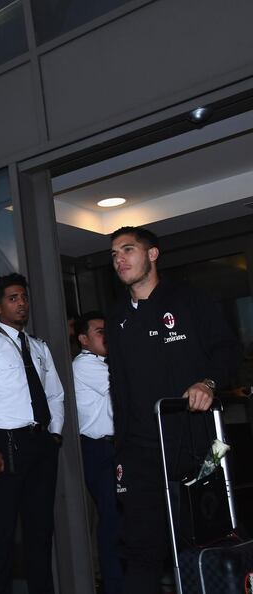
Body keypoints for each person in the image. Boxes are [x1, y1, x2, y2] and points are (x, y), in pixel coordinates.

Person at [105, 226, 239, 594]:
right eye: (114, 254)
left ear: (152, 254)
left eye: (128, 250)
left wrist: (207, 383)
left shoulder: (190, 300)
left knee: (200, 544)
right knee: (141, 550)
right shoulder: (117, 318)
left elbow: (227, 350)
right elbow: (120, 388)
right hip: (141, 454)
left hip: (194, 447)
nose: (119, 259)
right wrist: (122, 451)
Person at [0, 273, 65, 594]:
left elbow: (56, 394)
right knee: (0, 533)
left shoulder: (39, 347)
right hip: (4, 444)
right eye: (13, 299)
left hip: (41, 444)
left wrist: (55, 434)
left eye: (24, 298)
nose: (21, 304)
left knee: (40, 531)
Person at [72, 312, 122, 594]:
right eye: (100, 331)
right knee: (112, 520)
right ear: (83, 340)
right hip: (100, 450)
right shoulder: (84, 365)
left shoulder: (107, 364)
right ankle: (115, 586)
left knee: (121, 518)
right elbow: (125, 388)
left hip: (114, 448)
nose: (107, 335)